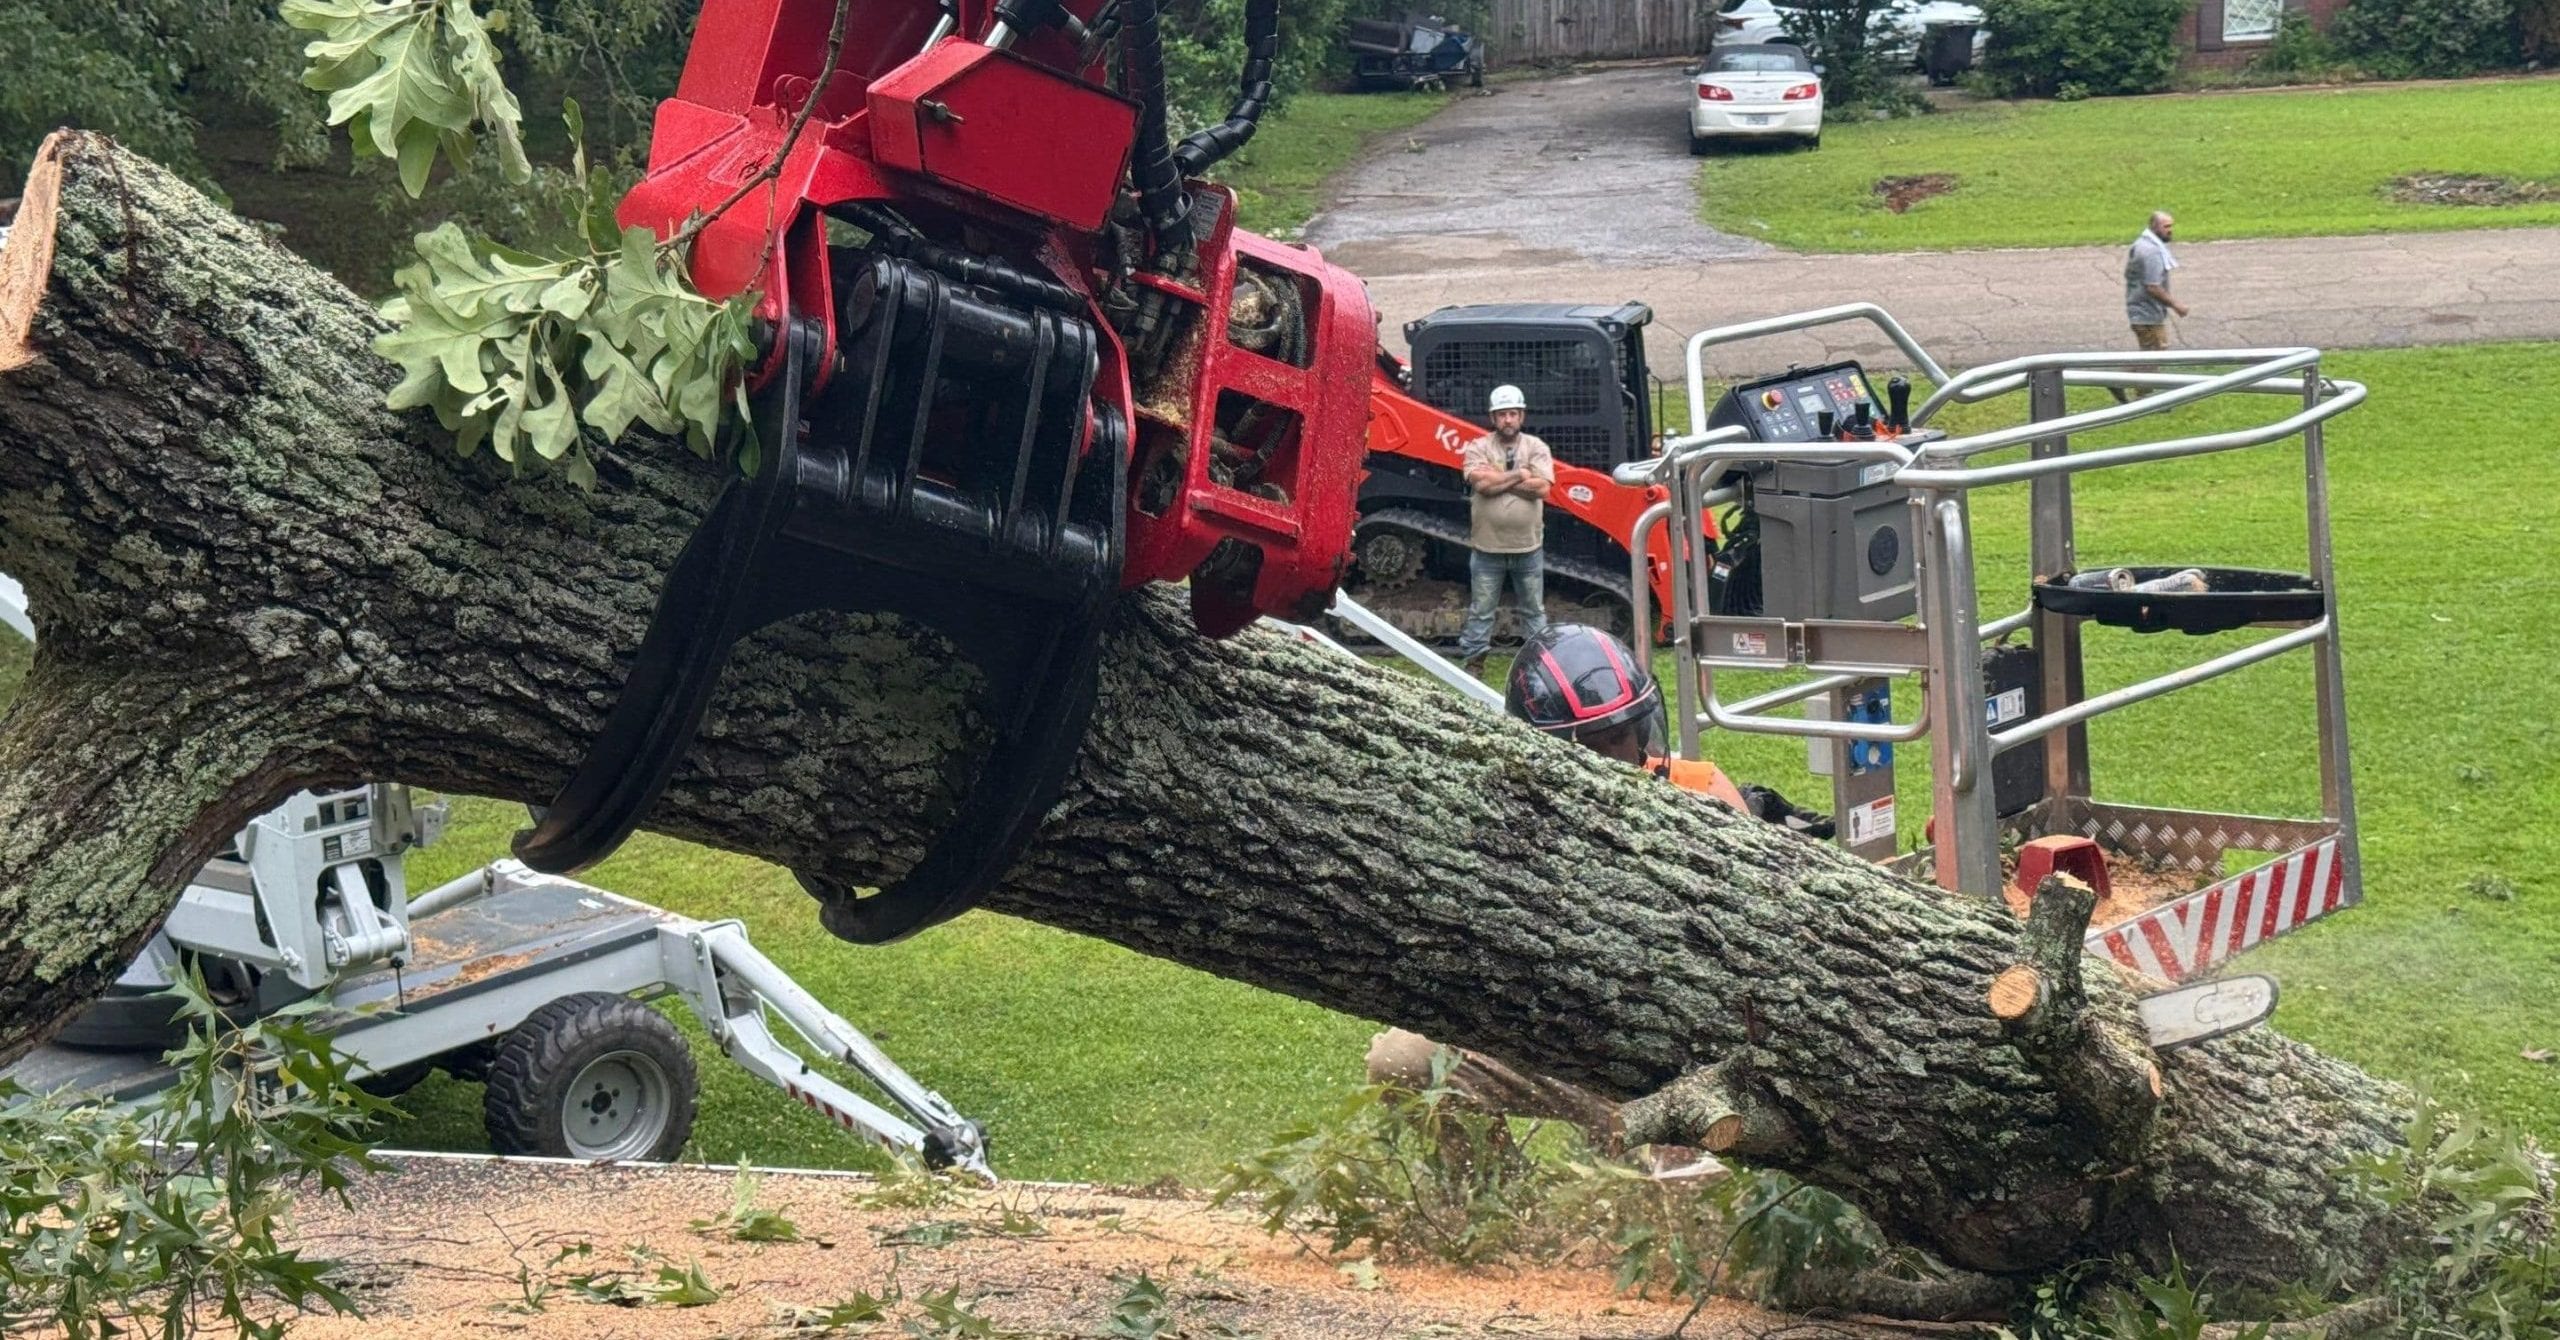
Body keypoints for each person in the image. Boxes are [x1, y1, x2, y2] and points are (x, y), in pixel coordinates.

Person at [1366, 624, 1831, 1158]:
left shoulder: (1700, 792)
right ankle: (1495, 1218)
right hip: (1558, 1044)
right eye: (1590, 746)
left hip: (1675, 1065)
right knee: (1402, 1059)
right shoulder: (1510, 821)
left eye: (1618, 737)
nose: (1612, 756)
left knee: (1666, 1209)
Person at [1456, 384, 1554, 676]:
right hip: (1488, 549)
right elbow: (1480, 485)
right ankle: (1474, 662)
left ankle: (1540, 663)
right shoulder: (1478, 447)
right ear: (1493, 417)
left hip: (1528, 548)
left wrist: (1498, 479)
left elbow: (1543, 489)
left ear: (1521, 415)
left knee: (1534, 611)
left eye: (1513, 413)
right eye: (1502, 414)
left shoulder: (1536, 448)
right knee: (1481, 610)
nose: (1507, 420)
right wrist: (1520, 475)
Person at [2125, 210, 2187, 353]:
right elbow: (2153, 286)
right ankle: (2121, 376)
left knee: (2149, 357)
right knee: (2153, 357)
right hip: (2147, 316)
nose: (2170, 231)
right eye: (2166, 227)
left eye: (2171, 226)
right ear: (2154, 227)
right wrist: (2176, 305)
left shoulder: (2141, 244)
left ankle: (2126, 375)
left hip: (2141, 313)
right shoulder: (2151, 252)